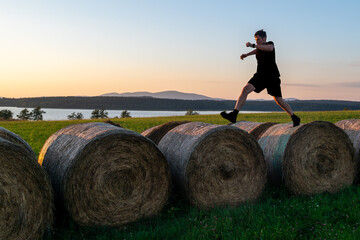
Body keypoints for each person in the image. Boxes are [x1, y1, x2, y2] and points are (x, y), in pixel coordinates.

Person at [221, 29, 300, 127]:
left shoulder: (270, 44)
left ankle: (294, 117)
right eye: (255, 40)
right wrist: (247, 54)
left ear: (264, 38)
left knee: (279, 100)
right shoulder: (259, 48)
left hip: (272, 77)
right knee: (245, 90)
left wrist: (252, 45)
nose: (256, 41)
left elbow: (269, 48)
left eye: (258, 39)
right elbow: (257, 50)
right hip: (260, 76)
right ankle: (234, 114)